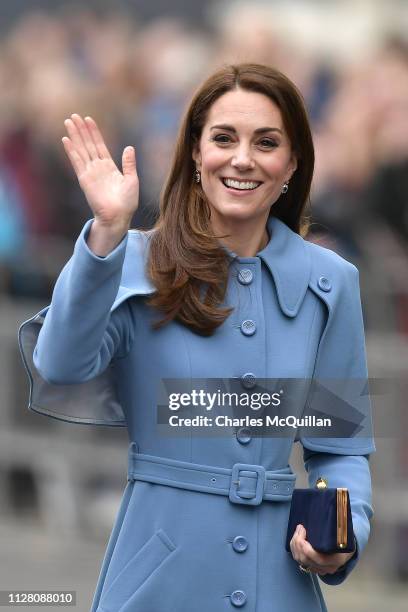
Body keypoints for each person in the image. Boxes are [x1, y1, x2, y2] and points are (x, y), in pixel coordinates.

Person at [18, 63, 375, 612]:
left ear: (292, 163)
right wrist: (104, 236)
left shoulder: (332, 284)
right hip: (157, 577)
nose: (242, 158)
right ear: (194, 152)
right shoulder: (135, 259)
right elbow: (62, 364)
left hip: (279, 584)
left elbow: (339, 449)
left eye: (266, 142)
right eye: (223, 138)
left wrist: (342, 535)